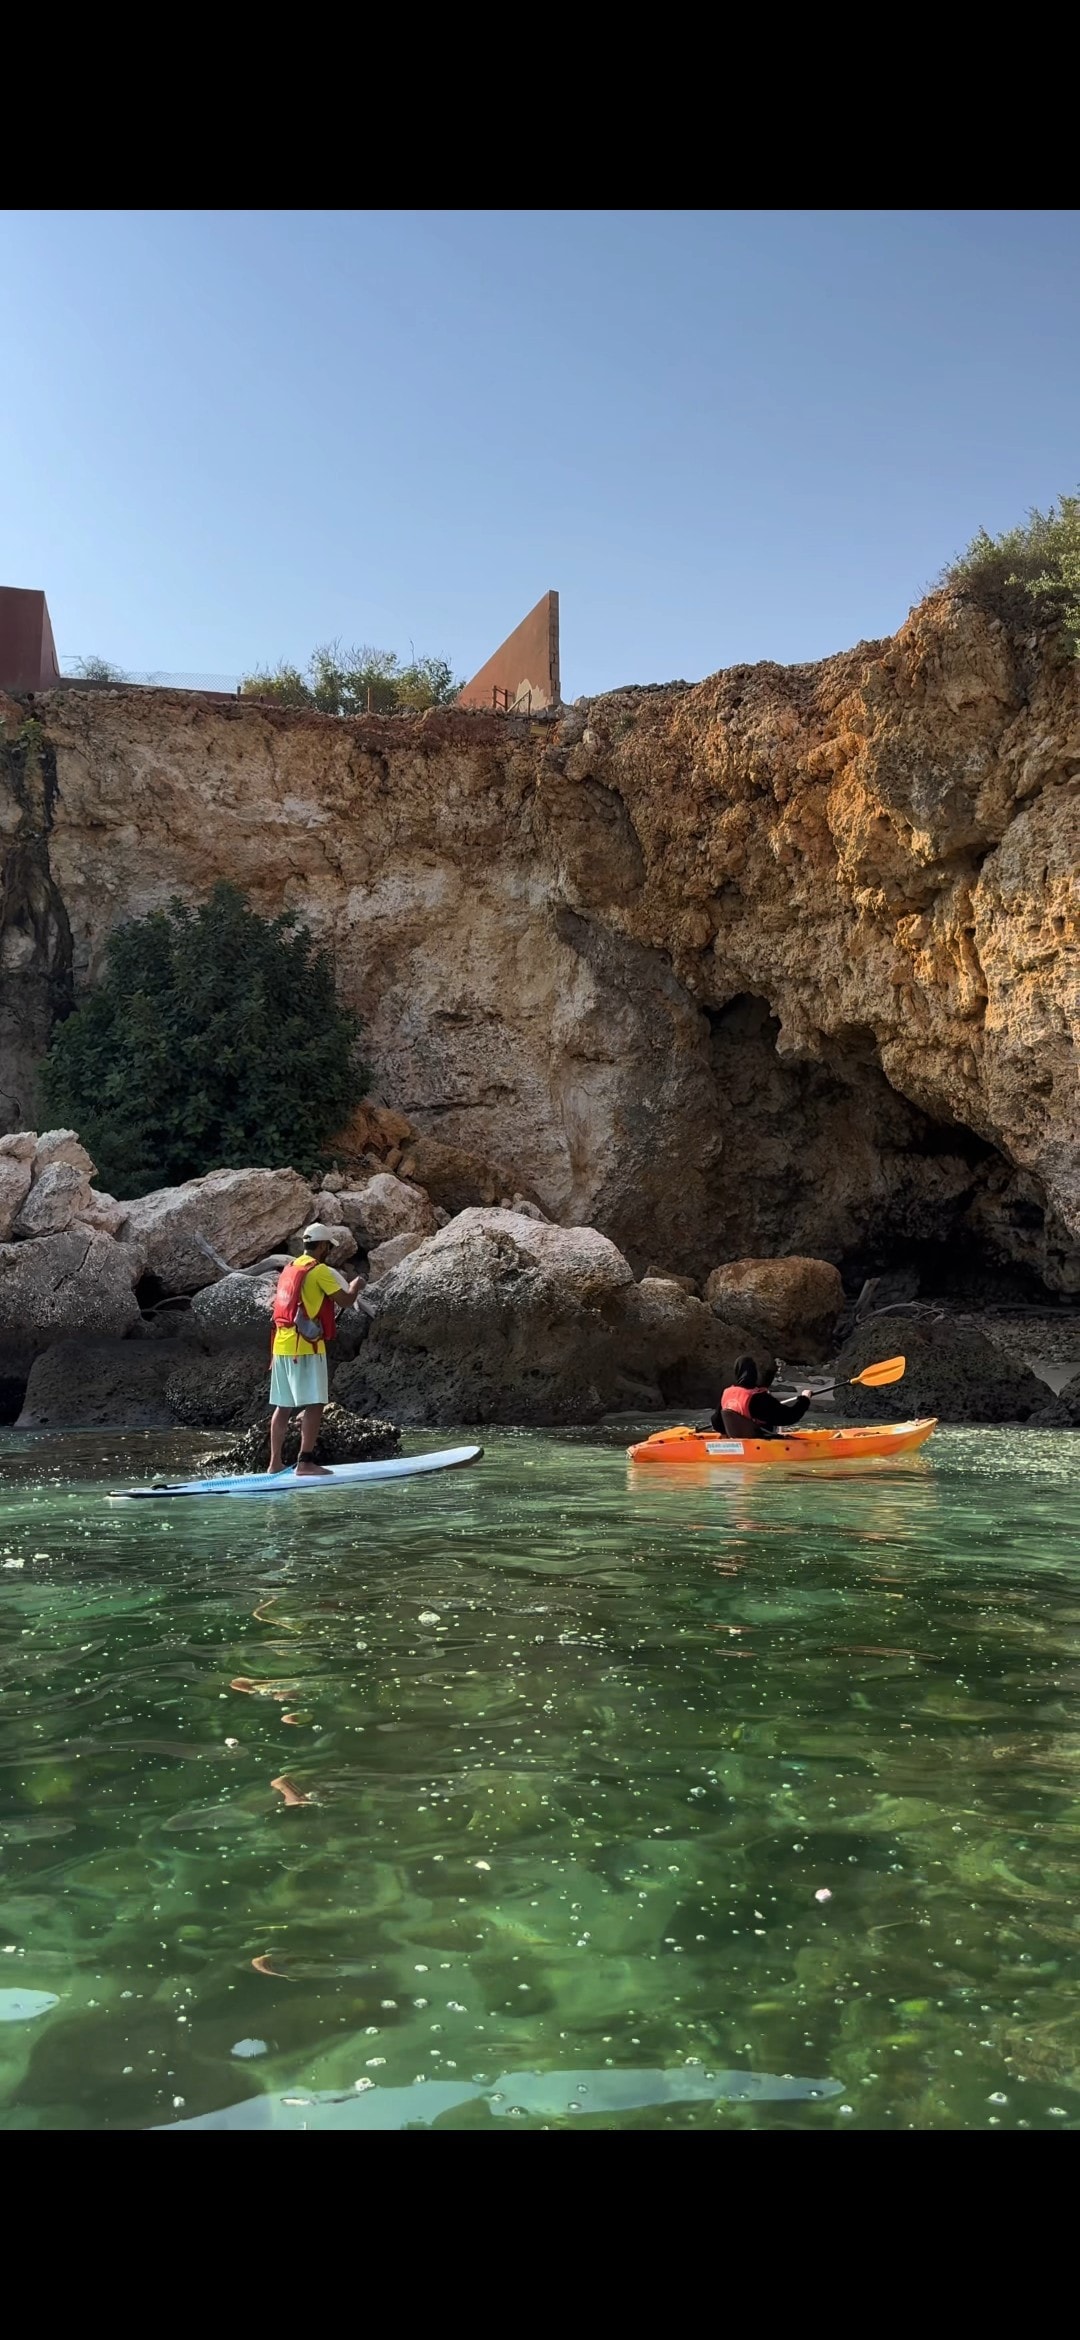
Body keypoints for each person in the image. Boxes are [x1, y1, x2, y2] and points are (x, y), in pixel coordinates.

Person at [268, 1223, 363, 1475]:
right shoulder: (319, 1270)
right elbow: (346, 1300)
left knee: (283, 1406)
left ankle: (274, 1463)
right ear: (321, 1246)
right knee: (316, 1403)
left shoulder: (290, 1267)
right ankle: (305, 1463)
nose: (327, 1251)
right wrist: (357, 1285)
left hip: (281, 1345)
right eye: (327, 1247)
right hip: (306, 1347)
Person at [712, 1354, 813, 1439]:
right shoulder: (759, 1398)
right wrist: (804, 1400)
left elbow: (717, 1424)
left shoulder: (727, 1394)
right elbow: (789, 1417)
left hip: (737, 1443)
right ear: (754, 1373)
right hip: (760, 1444)